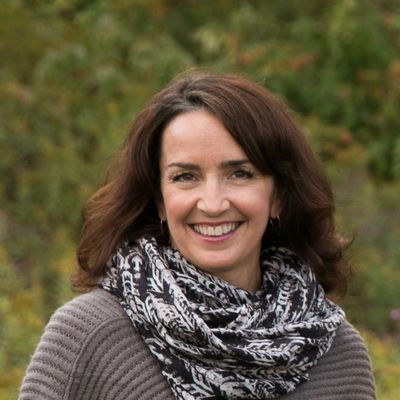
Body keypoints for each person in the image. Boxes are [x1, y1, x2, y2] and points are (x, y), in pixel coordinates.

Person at [19, 73, 375, 399]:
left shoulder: (337, 354)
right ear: (159, 199)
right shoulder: (89, 336)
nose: (213, 203)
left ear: (279, 195)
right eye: (185, 176)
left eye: (240, 174)